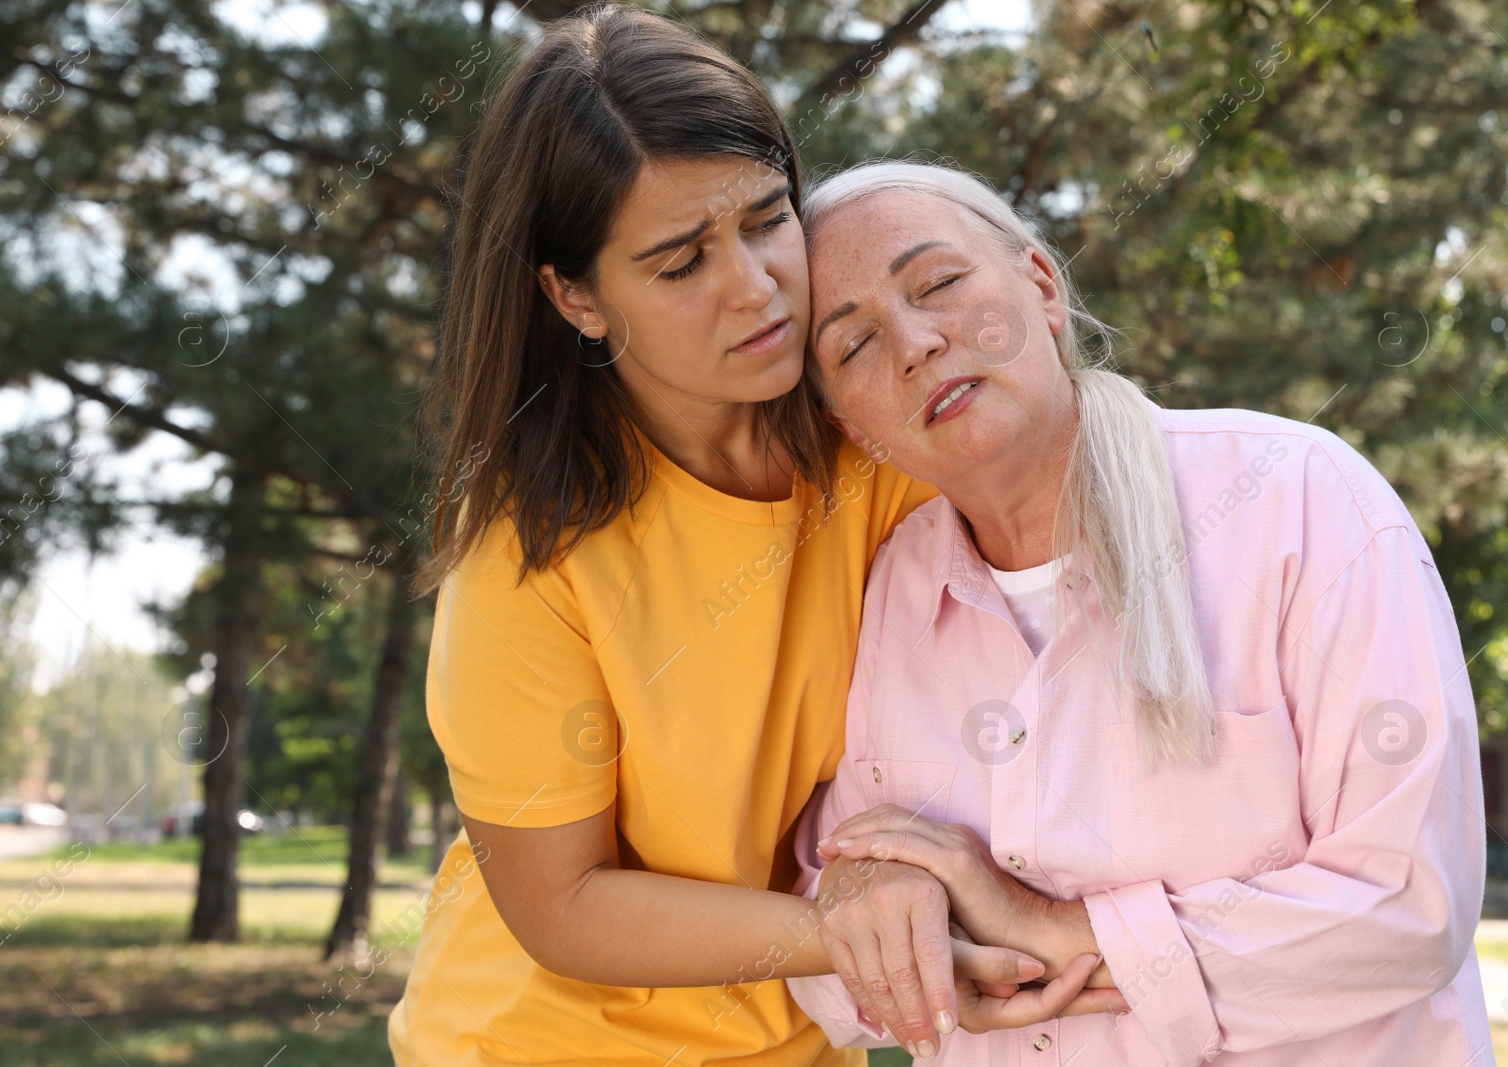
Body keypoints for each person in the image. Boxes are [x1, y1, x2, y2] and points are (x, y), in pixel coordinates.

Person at [387, 10, 1066, 1065]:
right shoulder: (529, 556)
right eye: (678, 262)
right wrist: (858, 926)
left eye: (764, 219)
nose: (754, 287)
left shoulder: (881, 446)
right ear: (574, 295)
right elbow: (560, 903)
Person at [784, 161, 1496, 1065]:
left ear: (1040, 287)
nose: (918, 341)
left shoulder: (1302, 500)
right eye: (853, 346)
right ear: (854, 427)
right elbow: (826, 973)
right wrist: (872, 894)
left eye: (940, 284)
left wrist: (1046, 926)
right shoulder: (887, 593)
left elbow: (1409, 908)